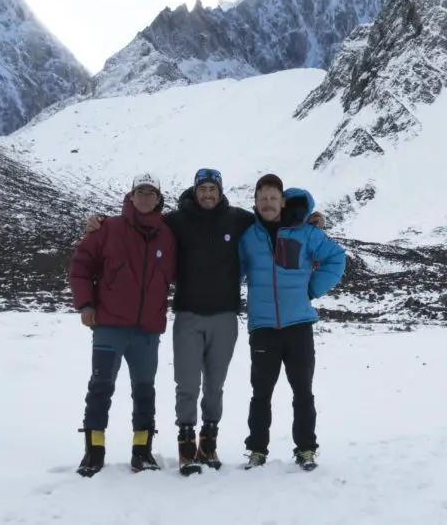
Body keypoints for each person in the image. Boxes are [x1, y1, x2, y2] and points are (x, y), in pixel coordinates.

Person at [84, 168, 325, 476]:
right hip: (187, 315)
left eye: (213, 189)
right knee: (186, 384)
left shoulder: (239, 219)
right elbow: (141, 221)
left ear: (220, 191)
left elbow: (274, 219)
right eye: (203, 189)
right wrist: (100, 222)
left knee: (214, 385)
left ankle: (208, 441)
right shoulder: (176, 220)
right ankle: (186, 441)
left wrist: (309, 219)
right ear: (195, 191)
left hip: (225, 316)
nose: (208, 194)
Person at [69, 172, 178, 477]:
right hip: (109, 325)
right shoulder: (107, 229)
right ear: (130, 196)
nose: (145, 198)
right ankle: (94, 451)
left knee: (144, 391)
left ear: (159, 199)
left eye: (151, 193)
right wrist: (86, 304)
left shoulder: (168, 236)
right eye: (140, 192)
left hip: (147, 331)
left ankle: (142, 451)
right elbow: (80, 266)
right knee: (100, 388)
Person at [239, 173, 346, 472]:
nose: (268, 204)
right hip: (262, 328)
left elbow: (336, 258)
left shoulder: (304, 232)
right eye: (263, 199)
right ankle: (257, 450)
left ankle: (306, 449)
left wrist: (312, 289)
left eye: (273, 198)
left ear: (282, 201)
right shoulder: (248, 237)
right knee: (261, 393)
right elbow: (234, 270)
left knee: (302, 390)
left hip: (298, 325)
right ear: (256, 203)